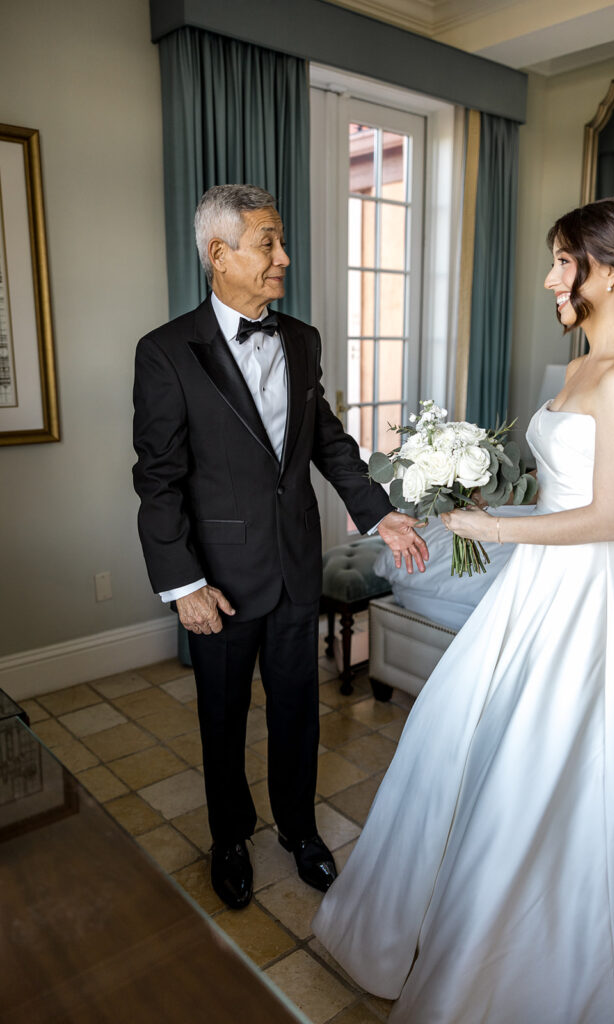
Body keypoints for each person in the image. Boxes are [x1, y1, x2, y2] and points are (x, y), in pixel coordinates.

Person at [312, 197, 614, 1023]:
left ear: (610, 271)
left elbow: (613, 517)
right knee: (462, 727)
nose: (550, 278)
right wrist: (485, 493)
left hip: (591, 590)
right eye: (553, 260)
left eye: (563, 262)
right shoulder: (581, 365)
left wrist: (487, 524)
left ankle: (544, 935)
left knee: (560, 755)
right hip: (542, 580)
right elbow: (563, 480)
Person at [133, 184, 428, 910]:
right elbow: (159, 480)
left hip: (297, 564)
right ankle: (230, 836)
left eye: (279, 241)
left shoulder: (301, 338)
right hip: (221, 579)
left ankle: (299, 830)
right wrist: (182, 584)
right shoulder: (167, 352)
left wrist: (377, 512)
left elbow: (325, 438)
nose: (283, 259)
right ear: (219, 254)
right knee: (222, 717)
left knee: (299, 708)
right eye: (268, 242)